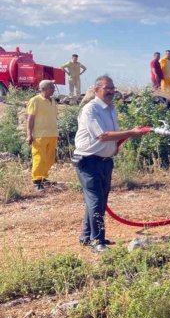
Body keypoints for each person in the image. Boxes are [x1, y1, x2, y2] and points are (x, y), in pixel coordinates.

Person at [73, 75, 148, 252]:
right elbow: (103, 135)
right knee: (96, 200)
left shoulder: (111, 109)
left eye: (112, 88)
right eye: (107, 88)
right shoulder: (90, 109)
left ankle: (86, 236)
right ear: (97, 89)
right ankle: (97, 242)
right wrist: (131, 132)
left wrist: (115, 147)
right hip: (88, 161)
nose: (111, 91)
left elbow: (111, 136)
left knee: (98, 200)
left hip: (106, 161)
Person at [26, 80, 59, 191]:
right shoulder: (35, 100)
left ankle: (43, 178)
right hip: (40, 135)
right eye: (51, 87)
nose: (54, 89)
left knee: (49, 159)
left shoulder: (53, 101)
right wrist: (29, 134)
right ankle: (37, 181)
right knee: (39, 158)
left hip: (52, 134)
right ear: (43, 89)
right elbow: (30, 119)